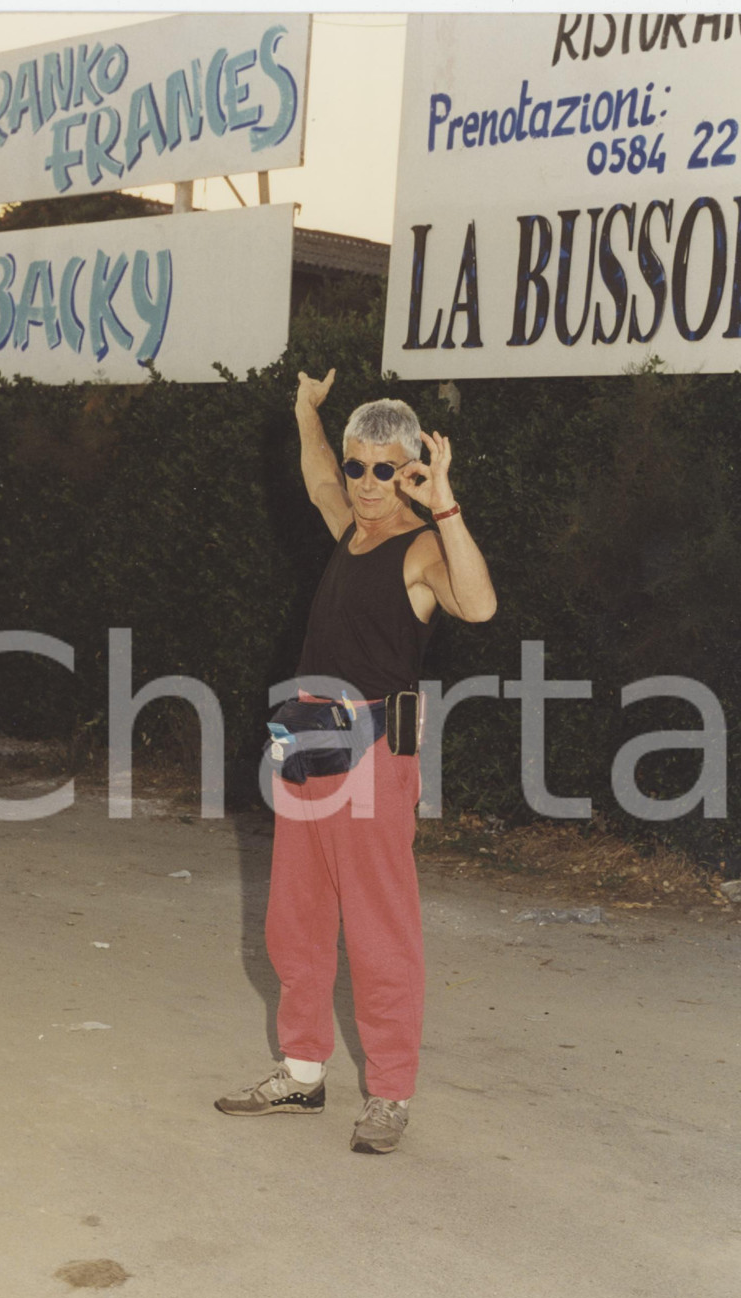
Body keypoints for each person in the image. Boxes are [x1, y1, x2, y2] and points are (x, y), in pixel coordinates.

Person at [215, 367, 497, 1153]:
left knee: (379, 929)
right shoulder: (349, 523)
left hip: (376, 751)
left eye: (385, 469)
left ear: (410, 469)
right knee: (295, 919)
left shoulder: (423, 549)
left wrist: (444, 501)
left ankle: (390, 1095)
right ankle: (302, 1074)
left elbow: (479, 605)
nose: (366, 483)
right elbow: (312, 478)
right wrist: (308, 412)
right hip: (307, 738)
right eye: (357, 466)